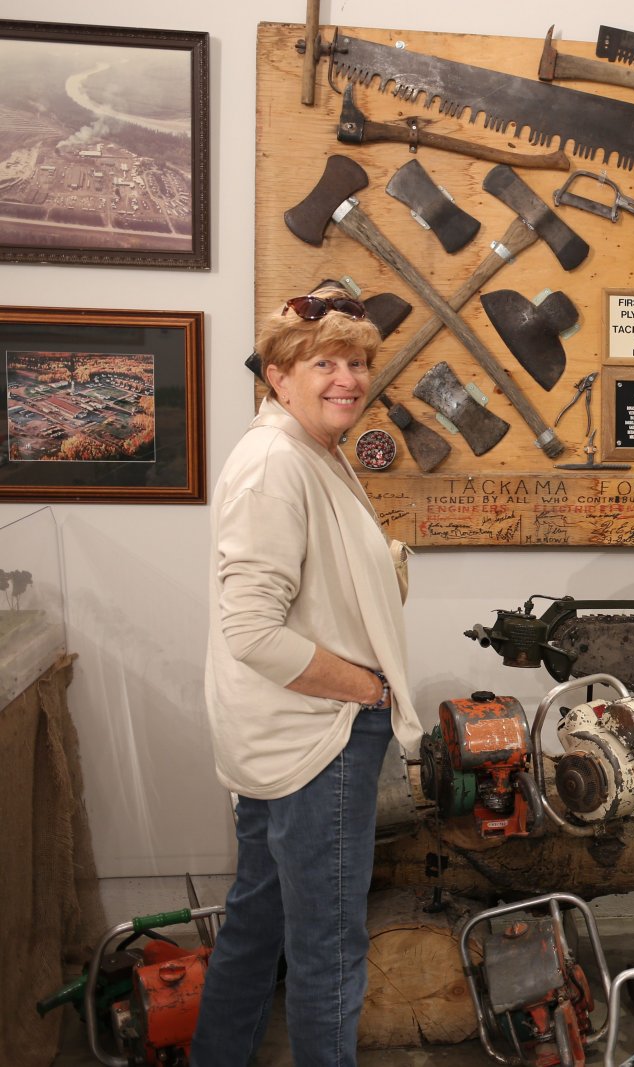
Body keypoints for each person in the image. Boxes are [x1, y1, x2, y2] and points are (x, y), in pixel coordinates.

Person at [192, 287, 423, 1066]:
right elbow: (253, 630)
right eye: (324, 363)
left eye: (357, 363)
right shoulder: (276, 464)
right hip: (315, 738)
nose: (347, 379)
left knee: (258, 925)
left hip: (289, 734)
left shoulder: (310, 449)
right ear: (279, 375)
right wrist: (366, 690)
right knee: (328, 948)